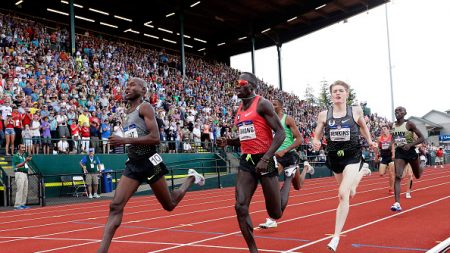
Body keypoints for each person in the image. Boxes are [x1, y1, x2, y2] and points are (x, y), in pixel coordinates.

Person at [97, 78, 205, 253]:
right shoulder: (127, 113)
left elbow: (155, 138)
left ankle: (191, 178)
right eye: (127, 85)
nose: (128, 87)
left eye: (133, 85)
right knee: (115, 206)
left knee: (169, 204)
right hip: (133, 164)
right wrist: (125, 144)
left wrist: (124, 140)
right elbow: (135, 138)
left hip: (150, 161)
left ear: (143, 91)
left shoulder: (145, 107)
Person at [216, 72, 287, 253]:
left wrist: (265, 158)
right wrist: (229, 141)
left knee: (275, 213)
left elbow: (280, 133)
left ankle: (288, 178)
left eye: (241, 83)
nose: (237, 86)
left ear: (252, 86)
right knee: (240, 206)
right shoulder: (239, 109)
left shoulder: (262, 104)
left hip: (265, 159)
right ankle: (253, 250)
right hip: (247, 161)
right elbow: (247, 136)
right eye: (236, 83)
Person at [312, 81, 373, 252]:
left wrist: (369, 141)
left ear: (347, 94)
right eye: (334, 91)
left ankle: (336, 236)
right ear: (331, 95)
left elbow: (363, 126)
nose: (337, 93)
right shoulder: (324, 115)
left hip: (352, 156)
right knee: (350, 193)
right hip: (334, 158)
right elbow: (317, 134)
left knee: (341, 194)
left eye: (341, 91)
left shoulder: (355, 111)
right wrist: (316, 141)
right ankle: (363, 172)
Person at [258, 98, 314, 229]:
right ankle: (272, 218)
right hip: (276, 157)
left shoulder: (287, 119)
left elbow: (299, 139)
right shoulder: (268, 120)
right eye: (270, 104)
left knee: (298, 186)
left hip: (289, 155)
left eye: (274, 104)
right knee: (272, 186)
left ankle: (306, 167)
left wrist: (285, 150)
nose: (272, 105)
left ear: (281, 106)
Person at [390, 106, 425, 212]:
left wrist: (410, 145)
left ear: (405, 113)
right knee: (398, 176)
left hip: (410, 151)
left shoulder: (409, 124)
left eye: (400, 110)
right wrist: (392, 145)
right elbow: (394, 137)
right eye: (396, 110)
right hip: (400, 152)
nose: (397, 112)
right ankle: (397, 203)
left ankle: (423, 163)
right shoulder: (392, 125)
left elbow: (422, 137)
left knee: (417, 175)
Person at [375, 124, 395, 194]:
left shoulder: (392, 137)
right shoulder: (379, 138)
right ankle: (386, 168)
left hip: (390, 157)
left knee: (391, 174)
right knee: (381, 173)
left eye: (385, 129)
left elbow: (393, 147)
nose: (383, 130)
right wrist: (376, 156)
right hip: (383, 157)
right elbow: (377, 148)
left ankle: (391, 188)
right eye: (382, 129)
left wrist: (393, 155)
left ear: (388, 130)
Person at [13, 144, 32, 210]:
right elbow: (17, 165)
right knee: (20, 189)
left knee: (25, 190)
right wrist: (26, 161)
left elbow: (25, 164)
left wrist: (27, 160)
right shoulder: (16, 156)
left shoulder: (23, 156)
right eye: (22, 147)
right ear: (19, 148)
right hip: (19, 173)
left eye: (24, 147)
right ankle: (17, 205)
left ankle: (22, 204)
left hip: (25, 173)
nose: (24, 149)